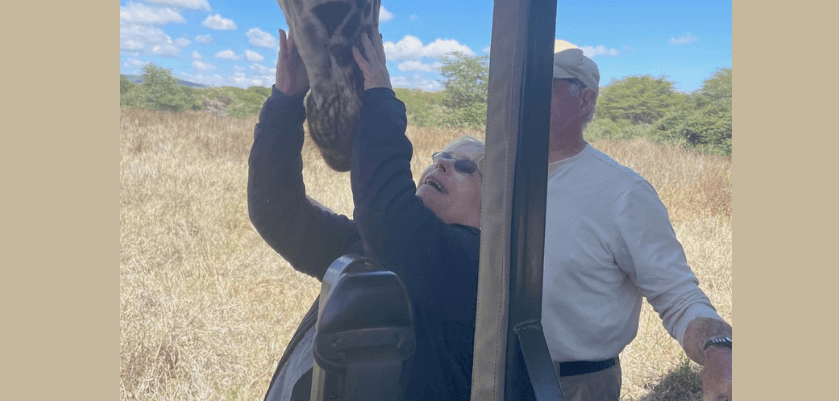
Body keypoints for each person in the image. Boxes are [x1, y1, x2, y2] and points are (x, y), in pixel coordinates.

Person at [248, 28, 484, 401]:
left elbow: (388, 214)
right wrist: (286, 102)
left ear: (495, 206)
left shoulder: (476, 269)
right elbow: (277, 211)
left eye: (464, 167)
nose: (441, 165)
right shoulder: (367, 248)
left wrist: (379, 97)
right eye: (439, 158)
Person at [542, 40, 733, 401]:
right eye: (519, 83)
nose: (522, 95)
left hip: (574, 386)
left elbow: (677, 295)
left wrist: (719, 349)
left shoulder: (623, 193)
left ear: (585, 101)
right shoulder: (488, 171)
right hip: (484, 368)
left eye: (542, 85)